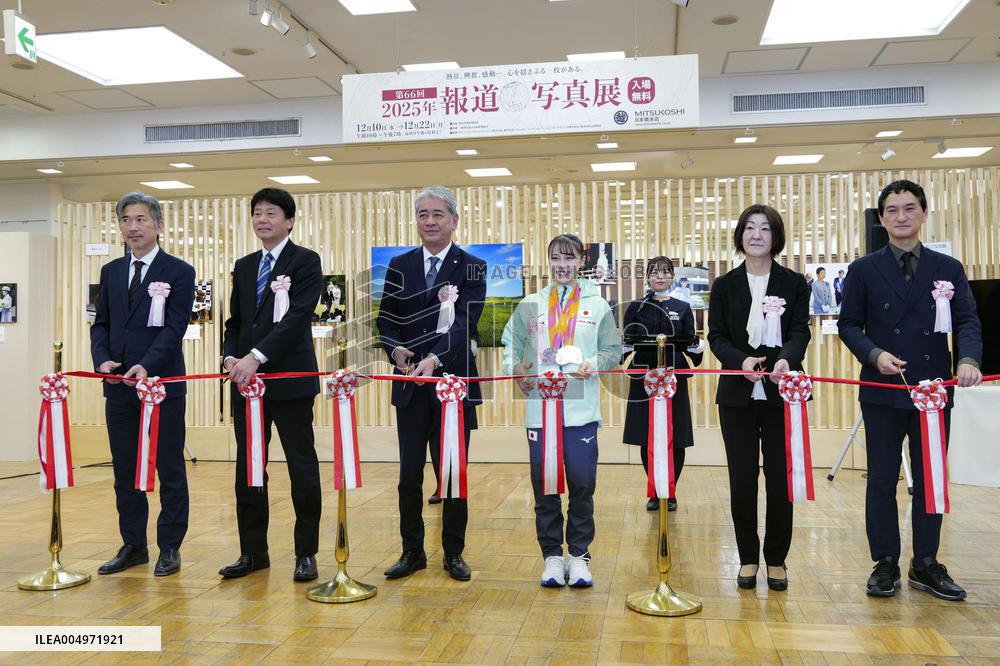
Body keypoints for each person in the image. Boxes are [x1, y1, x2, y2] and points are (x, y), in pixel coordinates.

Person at [838, 179, 982, 601]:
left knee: (931, 478)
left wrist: (968, 359)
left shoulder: (948, 268)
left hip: (933, 392)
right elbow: (849, 325)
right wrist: (874, 353)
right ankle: (884, 563)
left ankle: (926, 564)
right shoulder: (863, 269)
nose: (901, 217)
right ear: (881, 219)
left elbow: (968, 321)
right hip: (882, 389)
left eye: (909, 209)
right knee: (881, 479)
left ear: (922, 214)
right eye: (892, 210)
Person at [375, 185, 486, 581]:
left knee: (453, 473)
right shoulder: (399, 265)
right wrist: (396, 350)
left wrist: (434, 359)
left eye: (438, 214)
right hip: (410, 387)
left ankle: (453, 553)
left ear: (454, 221)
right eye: (423, 214)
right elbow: (385, 320)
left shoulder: (472, 266)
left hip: (452, 386)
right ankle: (412, 552)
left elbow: (466, 323)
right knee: (409, 475)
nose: (430, 221)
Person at [502, 233, 621, 588]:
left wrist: (592, 363)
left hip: (581, 412)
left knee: (582, 485)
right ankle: (553, 556)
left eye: (569, 258)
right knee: (545, 486)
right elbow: (512, 345)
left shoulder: (597, 304)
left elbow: (612, 351)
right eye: (556, 258)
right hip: (540, 412)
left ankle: (580, 557)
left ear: (581, 261)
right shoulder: (530, 303)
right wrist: (517, 371)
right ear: (548, 261)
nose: (562, 265)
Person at [220, 187, 324, 582]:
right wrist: (231, 357)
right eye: (257, 213)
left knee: (302, 467)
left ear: (290, 221)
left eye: (271, 213)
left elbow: (297, 317)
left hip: (290, 382)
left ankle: (306, 553)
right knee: (249, 469)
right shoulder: (245, 266)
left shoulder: (305, 261)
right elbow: (235, 323)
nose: (262, 219)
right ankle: (252, 552)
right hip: (246, 386)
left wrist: (255, 357)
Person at [91, 191, 195, 577]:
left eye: (140, 220)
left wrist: (144, 366)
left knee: (169, 468)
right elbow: (100, 323)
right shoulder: (111, 272)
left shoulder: (179, 271)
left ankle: (169, 546)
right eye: (126, 220)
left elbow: (175, 328)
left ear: (158, 226)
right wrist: (101, 359)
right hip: (118, 388)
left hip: (162, 387)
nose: (132, 227)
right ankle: (133, 545)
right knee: (124, 470)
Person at [707, 204, 811, 592]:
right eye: (749, 228)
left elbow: (801, 331)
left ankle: (777, 559)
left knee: (781, 479)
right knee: (742, 479)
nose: (756, 235)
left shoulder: (794, 283)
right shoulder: (725, 284)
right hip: (737, 396)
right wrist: (740, 361)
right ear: (740, 235)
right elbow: (715, 336)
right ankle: (748, 557)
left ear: (775, 237)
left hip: (784, 393)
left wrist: (786, 359)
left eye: (764, 229)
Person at [622, 256, 704, 512]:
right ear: (647, 276)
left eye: (665, 272)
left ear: (671, 276)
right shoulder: (636, 307)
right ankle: (655, 492)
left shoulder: (682, 307)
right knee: (646, 437)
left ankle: (670, 491)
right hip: (643, 380)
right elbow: (625, 344)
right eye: (654, 272)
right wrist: (618, 352)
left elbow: (694, 349)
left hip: (674, 379)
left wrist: (698, 347)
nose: (660, 276)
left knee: (676, 436)